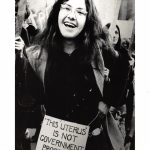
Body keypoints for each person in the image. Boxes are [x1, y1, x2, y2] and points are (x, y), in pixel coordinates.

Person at [15, 0, 126, 149]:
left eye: (80, 12)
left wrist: (106, 102)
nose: (72, 16)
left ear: (88, 19)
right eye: (67, 8)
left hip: (93, 140)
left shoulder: (101, 52)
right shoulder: (37, 55)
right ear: (57, 13)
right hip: (54, 140)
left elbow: (119, 88)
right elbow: (31, 98)